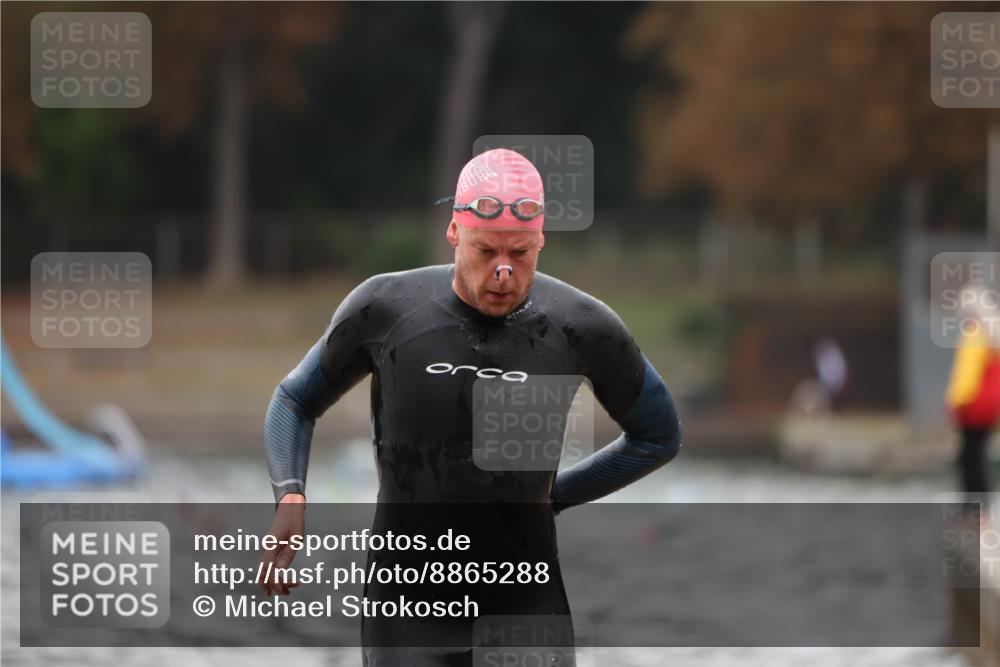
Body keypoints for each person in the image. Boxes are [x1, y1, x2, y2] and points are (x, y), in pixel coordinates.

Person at [259, 148, 683, 665]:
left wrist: (555, 497)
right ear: (454, 233)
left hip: (525, 599)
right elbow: (295, 400)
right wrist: (290, 498)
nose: (504, 271)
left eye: (521, 253)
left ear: (541, 239)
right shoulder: (386, 308)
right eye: (486, 251)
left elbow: (658, 436)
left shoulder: (582, 326)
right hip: (407, 603)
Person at [945, 283, 999, 519]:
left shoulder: (974, 335)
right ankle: (982, 509)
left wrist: (955, 402)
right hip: (988, 410)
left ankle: (974, 511)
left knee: (969, 459)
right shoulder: (992, 336)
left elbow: (966, 375)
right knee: (977, 457)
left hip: (973, 410)